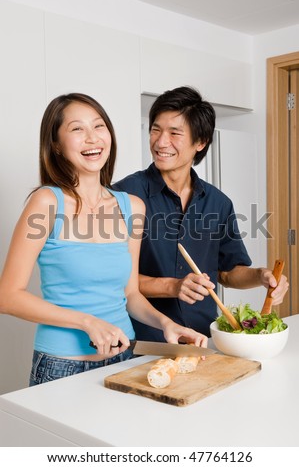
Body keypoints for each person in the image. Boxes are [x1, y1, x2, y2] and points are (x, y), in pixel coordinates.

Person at [0, 92, 208, 386]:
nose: (92, 138)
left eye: (99, 126)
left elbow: (131, 295)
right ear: (56, 145)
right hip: (62, 366)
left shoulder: (132, 207)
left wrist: (167, 325)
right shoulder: (46, 203)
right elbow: (7, 297)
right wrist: (86, 322)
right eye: (77, 129)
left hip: (123, 360)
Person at [114, 86, 289, 341]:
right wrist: (174, 286)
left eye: (174, 133)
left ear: (201, 142)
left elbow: (227, 272)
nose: (161, 142)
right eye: (155, 130)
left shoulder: (219, 203)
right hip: (141, 343)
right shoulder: (124, 195)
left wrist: (261, 276)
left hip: (202, 340)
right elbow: (111, 277)